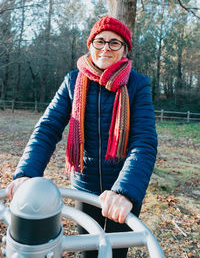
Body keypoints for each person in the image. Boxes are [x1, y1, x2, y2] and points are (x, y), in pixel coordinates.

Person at [6, 16, 157, 258]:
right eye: (100, 41)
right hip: (84, 187)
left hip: (121, 191)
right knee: (87, 251)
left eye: (114, 43)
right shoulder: (72, 81)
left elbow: (144, 143)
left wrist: (125, 192)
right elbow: (48, 128)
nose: (106, 47)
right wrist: (27, 173)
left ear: (125, 50)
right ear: (90, 45)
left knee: (116, 253)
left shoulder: (138, 85)